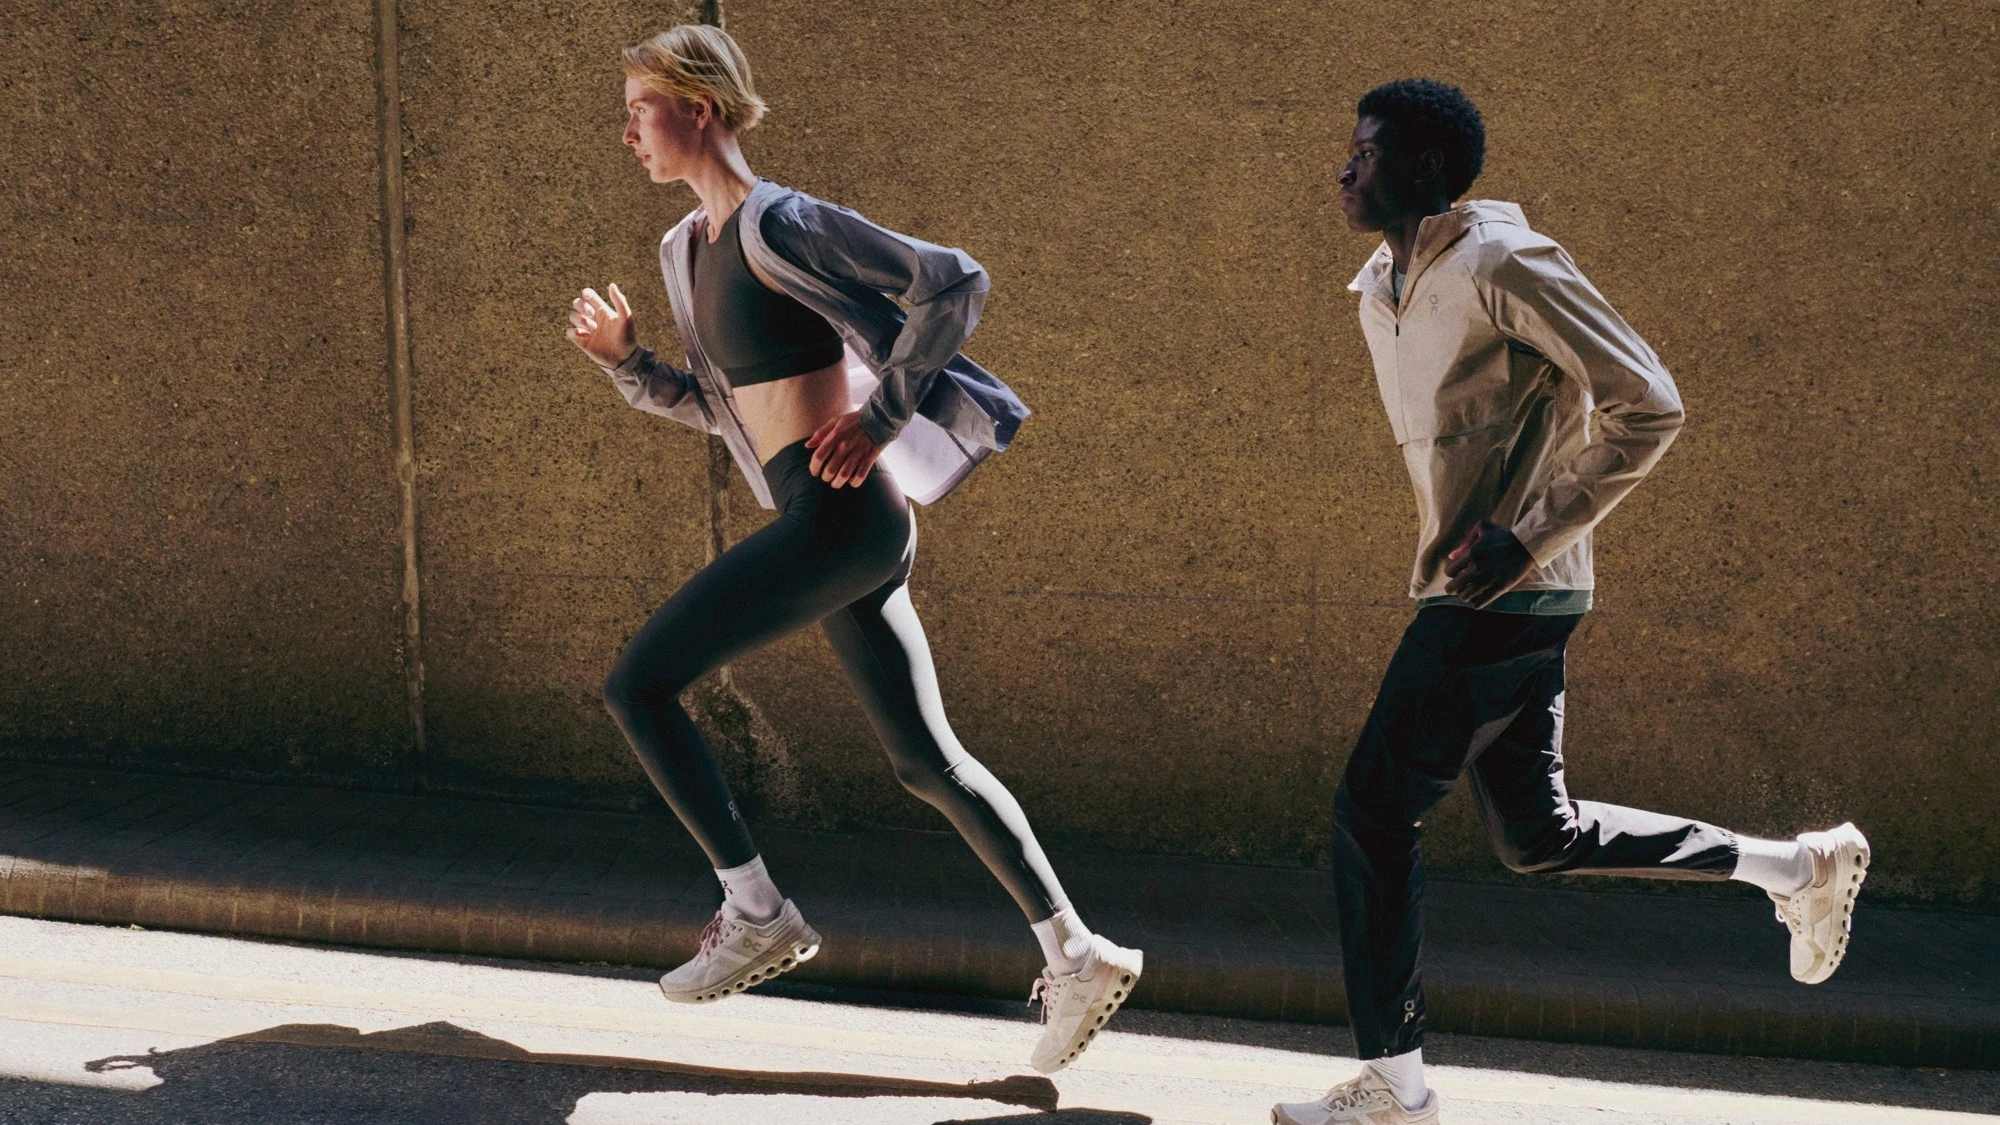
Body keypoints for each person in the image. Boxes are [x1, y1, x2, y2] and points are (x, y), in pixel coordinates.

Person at [1272, 79, 1870, 1125]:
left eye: (1361, 152)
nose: (1341, 168)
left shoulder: (1504, 261)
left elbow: (1648, 402)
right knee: (1536, 834)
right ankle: (1797, 865)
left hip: (1503, 592)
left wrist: (1523, 534)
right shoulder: (1385, 279)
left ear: (1419, 170)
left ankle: (1395, 1091)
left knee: (1370, 814)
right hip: (1485, 588)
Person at [561, 24, 1138, 1075]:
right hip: (821, 521)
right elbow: (722, 408)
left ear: (697, 106)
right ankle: (1078, 949)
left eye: (638, 108)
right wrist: (628, 362)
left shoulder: (782, 225)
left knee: (640, 685)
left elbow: (953, 282)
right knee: (926, 759)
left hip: (842, 517)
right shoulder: (683, 252)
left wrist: (882, 419)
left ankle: (754, 909)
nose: (626, 132)